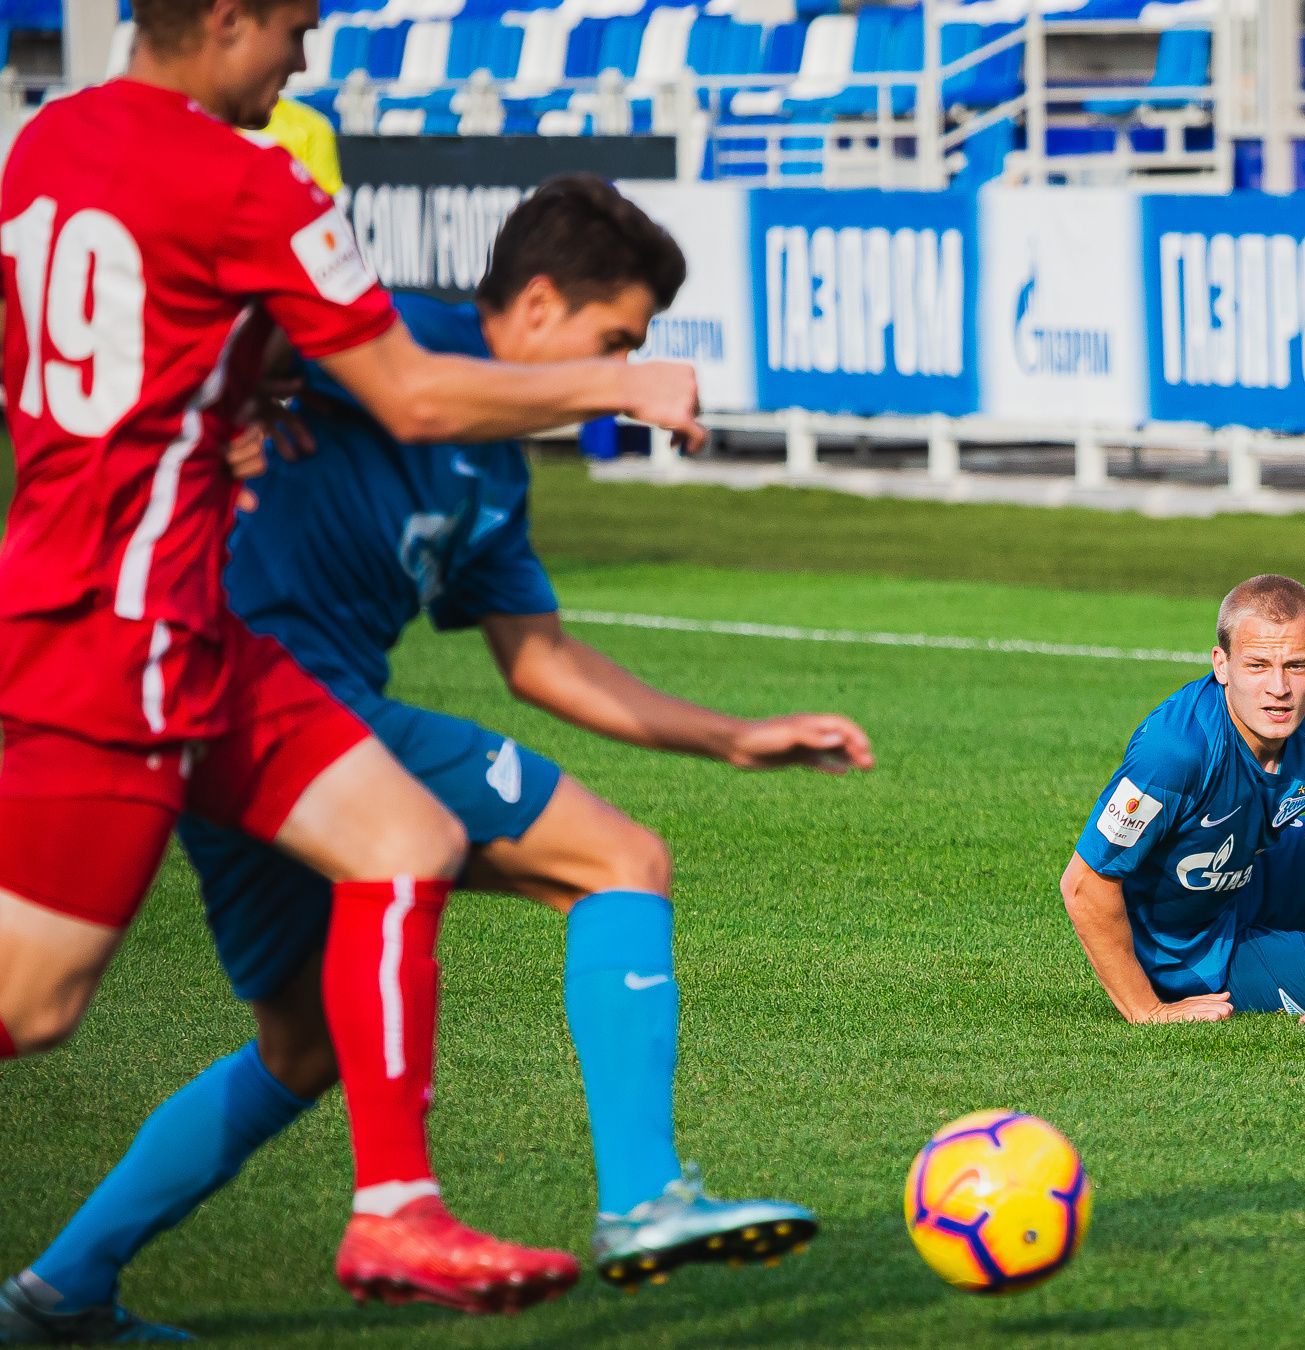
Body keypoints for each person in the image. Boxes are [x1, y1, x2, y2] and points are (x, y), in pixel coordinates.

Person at [0, 176, 874, 1341]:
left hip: (263, 739)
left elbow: (541, 660)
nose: (621, 365)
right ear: (542, 302)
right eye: (616, 337)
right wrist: (250, 403)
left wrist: (733, 735)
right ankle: (644, 1198)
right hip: (258, 689)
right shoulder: (398, 338)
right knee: (617, 858)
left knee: (302, 1045)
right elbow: (280, 361)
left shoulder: (498, 469)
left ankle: (58, 1293)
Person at [1059, 576, 1305, 1028]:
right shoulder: (1177, 750)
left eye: (1296, 666)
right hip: (1190, 945)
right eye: (1257, 665)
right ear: (1222, 665)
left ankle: (1293, 946)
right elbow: (1084, 884)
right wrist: (1145, 1007)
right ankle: (1267, 959)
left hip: (1247, 876)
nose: (1278, 687)